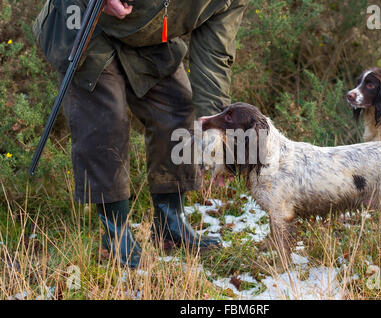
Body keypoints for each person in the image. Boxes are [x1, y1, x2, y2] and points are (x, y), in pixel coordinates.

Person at [33, 0, 249, 268]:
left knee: (177, 104)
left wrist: (216, 132)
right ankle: (115, 234)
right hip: (86, 19)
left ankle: (171, 222)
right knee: (105, 119)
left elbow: (214, 56)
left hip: (147, 33)